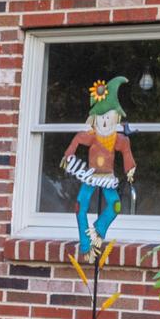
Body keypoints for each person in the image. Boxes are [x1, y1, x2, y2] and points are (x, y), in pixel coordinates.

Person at [61, 76, 136, 258]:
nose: (104, 122)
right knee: (81, 206)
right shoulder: (92, 136)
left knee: (115, 206)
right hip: (90, 175)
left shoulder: (118, 139)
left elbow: (126, 151)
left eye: (109, 117)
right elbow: (79, 138)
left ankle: (98, 229)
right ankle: (86, 245)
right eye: (101, 117)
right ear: (94, 119)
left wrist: (130, 168)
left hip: (107, 177)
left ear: (116, 118)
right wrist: (68, 154)